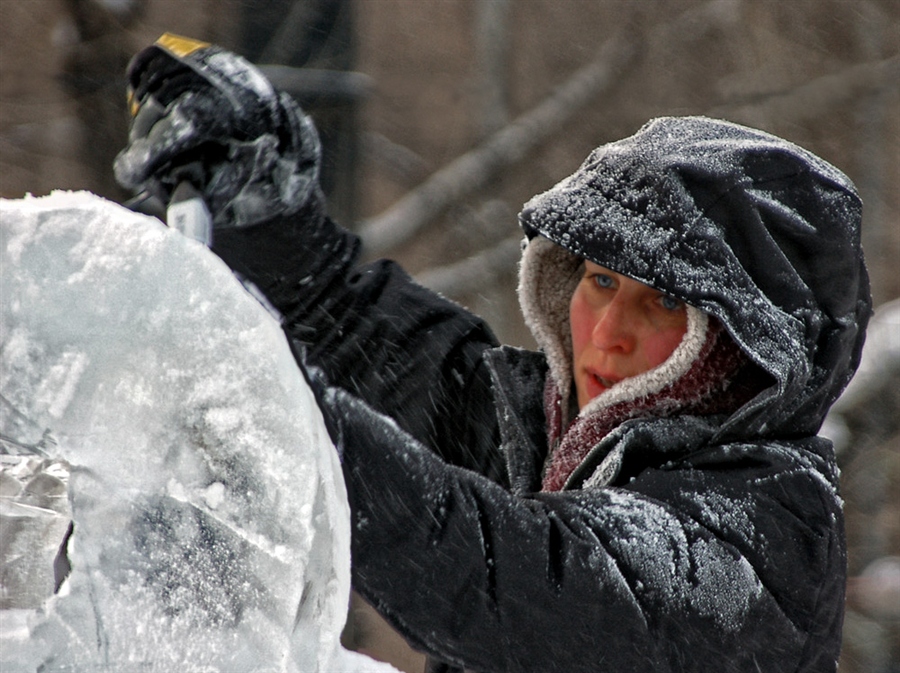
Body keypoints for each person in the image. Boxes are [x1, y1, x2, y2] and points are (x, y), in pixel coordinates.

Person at [114, 36, 871, 673]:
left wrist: (285, 415)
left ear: (744, 348)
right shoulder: (533, 431)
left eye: (664, 302)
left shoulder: (764, 538)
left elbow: (505, 576)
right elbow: (344, 322)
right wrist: (263, 201)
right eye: (601, 280)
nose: (606, 331)